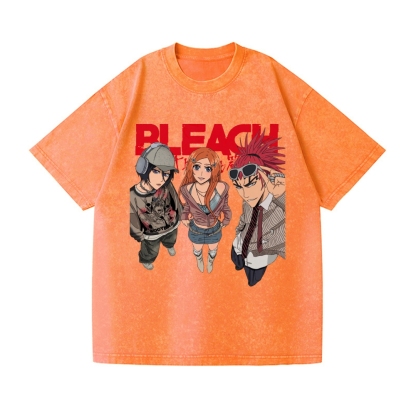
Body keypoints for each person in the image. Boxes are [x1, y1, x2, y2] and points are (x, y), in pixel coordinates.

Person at [229, 131, 286, 286]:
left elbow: (293, 229)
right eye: (239, 187)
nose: (245, 194)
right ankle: (238, 263)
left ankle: (251, 282)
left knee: (253, 278)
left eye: (250, 184)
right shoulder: (248, 201)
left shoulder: (280, 206)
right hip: (240, 245)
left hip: (260, 256)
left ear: (267, 177)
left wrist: (282, 195)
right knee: (236, 259)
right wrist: (238, 233)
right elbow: (244, 218)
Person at [130, 142, 183, 270]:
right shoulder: (134, 194)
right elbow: (132, 217)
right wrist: (138, 234)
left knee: (171, 239)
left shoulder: (167, 185)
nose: (161, 179)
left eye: (166, 174)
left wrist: (181, 214)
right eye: (156, 171)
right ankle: (146, 260)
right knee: (151, 250)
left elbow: (175, 199)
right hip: (151, 233)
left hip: (171, 225)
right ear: (143, 168)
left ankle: (169, 245)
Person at [179, 148, 232, 273]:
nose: (201, 173)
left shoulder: (221, 188)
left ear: (214, 170)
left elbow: (225, 207)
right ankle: (199, 260)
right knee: (197, 250)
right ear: (191, 167)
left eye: (208, 168)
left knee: (213, 249)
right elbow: (187, 207)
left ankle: (210, 260)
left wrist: (226, 220)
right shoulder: (187, 189)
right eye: (197, 167)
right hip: (195, 229)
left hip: (215, 229)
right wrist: (184, 217)